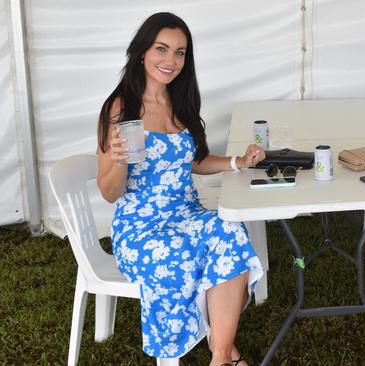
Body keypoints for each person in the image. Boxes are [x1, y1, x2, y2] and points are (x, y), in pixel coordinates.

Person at [97, 12, 264, 366]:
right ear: (142, 52)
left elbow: (193, 161)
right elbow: (109, 193)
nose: (170, 61)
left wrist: (238, 162)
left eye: (180, 52)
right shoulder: (120, 109)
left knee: (230, 232)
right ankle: (225, 352)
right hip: (140, 229)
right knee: (191, 255)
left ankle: (219, 356)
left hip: (186, 214)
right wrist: (118, 160)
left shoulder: (180, 101)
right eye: (161, 49)